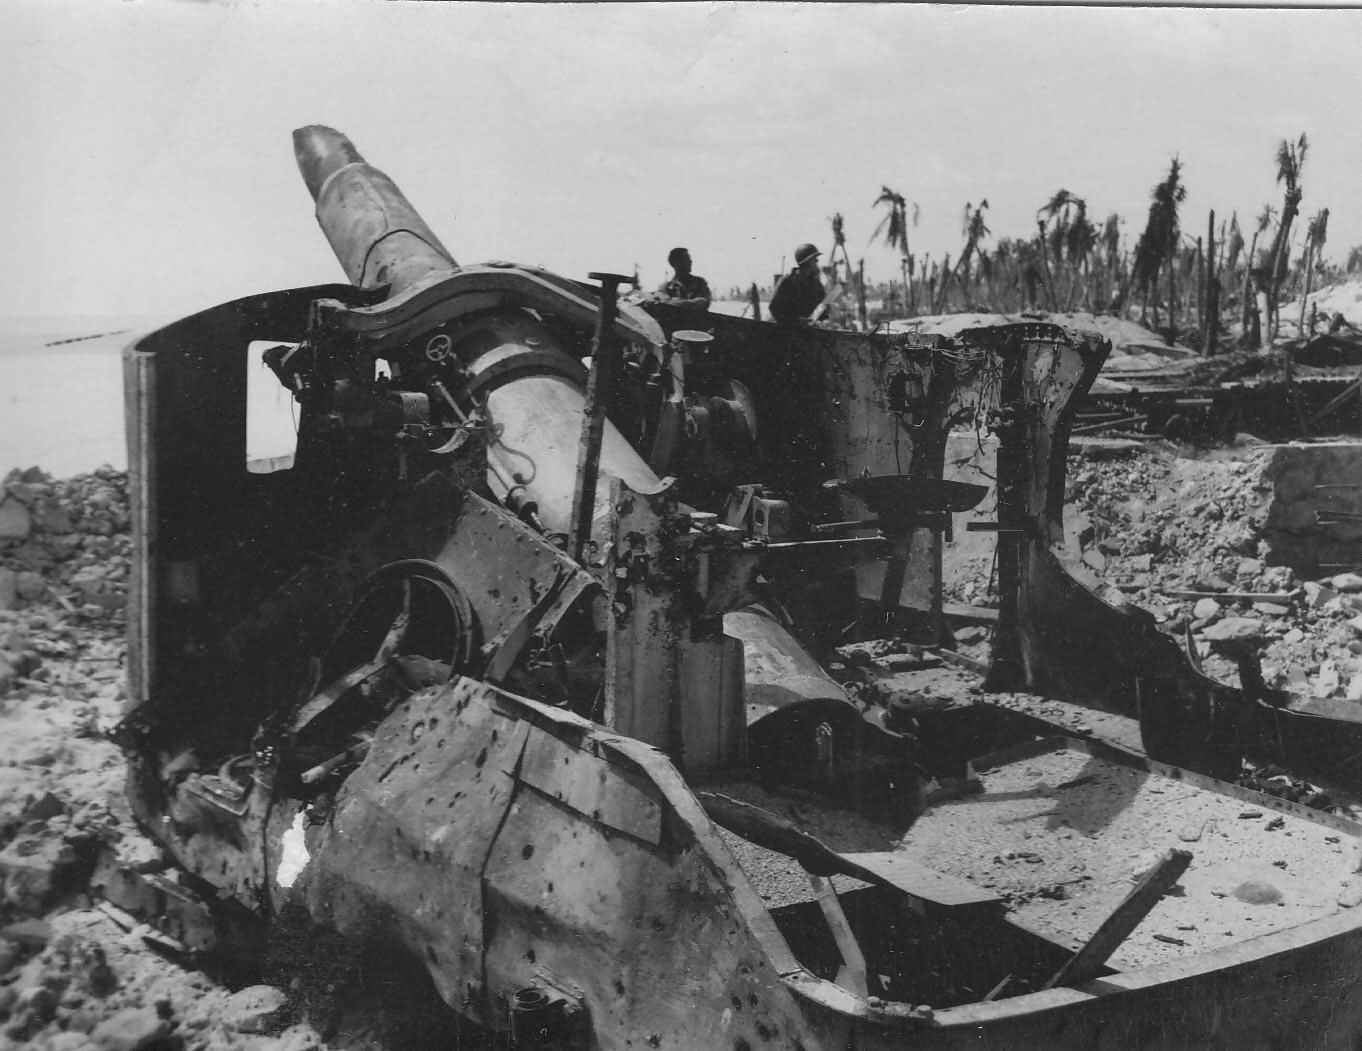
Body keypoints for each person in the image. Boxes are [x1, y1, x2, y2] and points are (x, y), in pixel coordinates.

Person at [769, 243, 826, 324]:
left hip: (810, 331)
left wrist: (821, 318)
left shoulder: (816, 284)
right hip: (789, 331)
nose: (817, 261)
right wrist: (796, 321)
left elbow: (822, 309)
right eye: (815, 259)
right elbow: (774, 309)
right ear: (807, 261)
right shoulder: (787, 282)